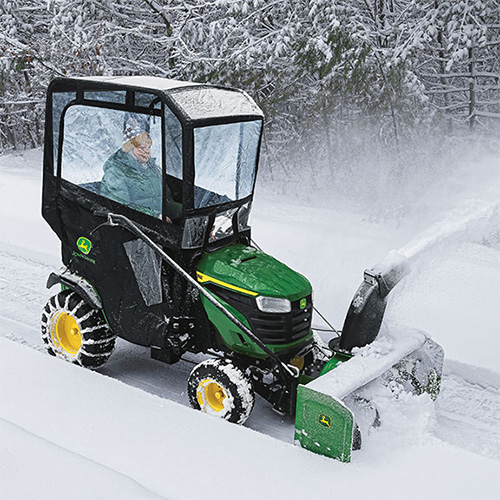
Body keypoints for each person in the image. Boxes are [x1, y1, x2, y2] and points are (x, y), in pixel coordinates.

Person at [100, 114, 182, 220]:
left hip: (160, 225)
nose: (147, 151)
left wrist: (185, 212)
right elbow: (120, 208)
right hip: (136, 228)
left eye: (148, 147)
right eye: (142, 147)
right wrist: (155, 216)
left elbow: (165, 202)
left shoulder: (153, 170)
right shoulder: (115, 173)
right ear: (129, 149)